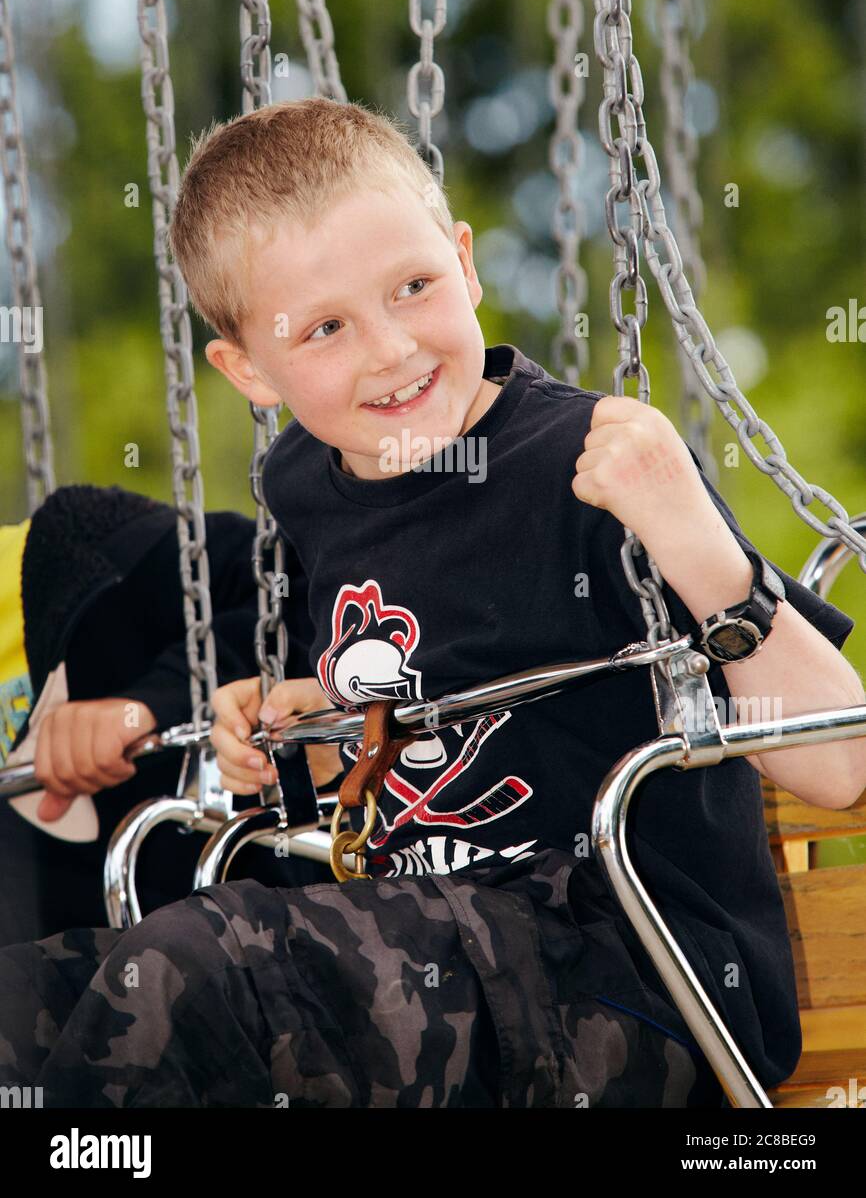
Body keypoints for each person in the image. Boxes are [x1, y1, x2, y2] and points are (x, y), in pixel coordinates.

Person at [0, 96, 862, 1109]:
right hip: (427, 953)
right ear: (249, 371)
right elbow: (411, 729)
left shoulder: (585, 466)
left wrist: (696, 540)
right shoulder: (304, 489)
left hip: (630, 982)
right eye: (323, 328)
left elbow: (837, 760)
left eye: (412, 287)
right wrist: (299, 724)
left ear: (465, 261)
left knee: (191, 971)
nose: (390, 350)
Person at [0, 481, 335, 947]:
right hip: (73, 997)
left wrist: (150, 705)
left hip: (272, 944)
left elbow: (304, 588)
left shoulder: (71, 553)